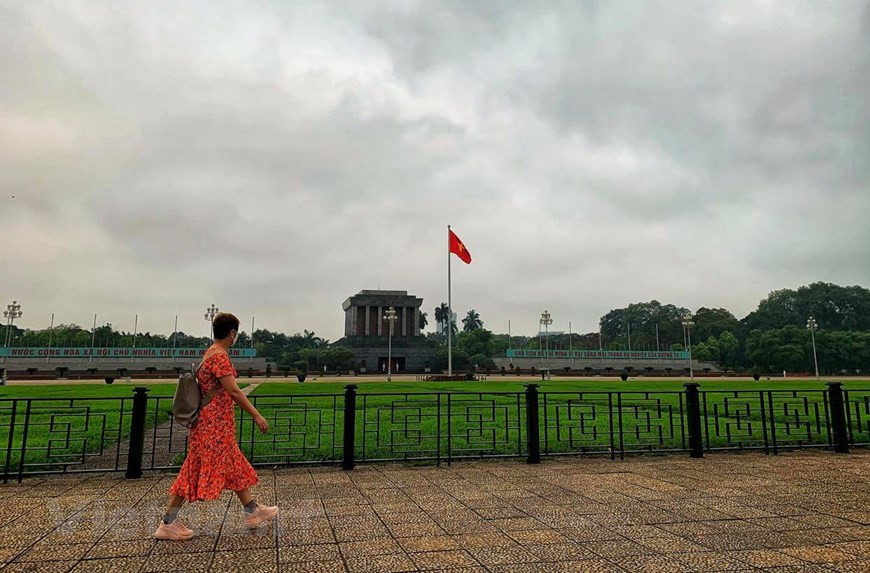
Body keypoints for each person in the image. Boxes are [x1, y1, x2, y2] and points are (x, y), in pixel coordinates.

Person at [155, 312, 277, 540]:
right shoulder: (219, 357)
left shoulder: (209, 353)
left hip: (216, 426)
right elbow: (233, 390)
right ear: (232, 333)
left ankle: (252, 511)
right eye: (236, 333)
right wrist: (256, 415)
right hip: (212, 426)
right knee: (193, 469)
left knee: (232, 463)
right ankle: (167, 523)